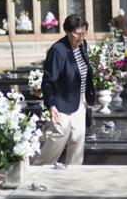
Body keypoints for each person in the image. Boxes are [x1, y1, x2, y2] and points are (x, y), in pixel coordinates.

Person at [33, 14, 95, 165]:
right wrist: (51, 105)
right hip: (61, 100)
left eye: (83, 33)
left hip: (79, 99)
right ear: (67, 31)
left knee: (78, 138)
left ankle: (73, 172)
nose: (80, 37)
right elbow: (48, 81)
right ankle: (39, 168)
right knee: (60, 133)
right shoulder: (58, 50)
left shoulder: (83, 45)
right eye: (77, 34)